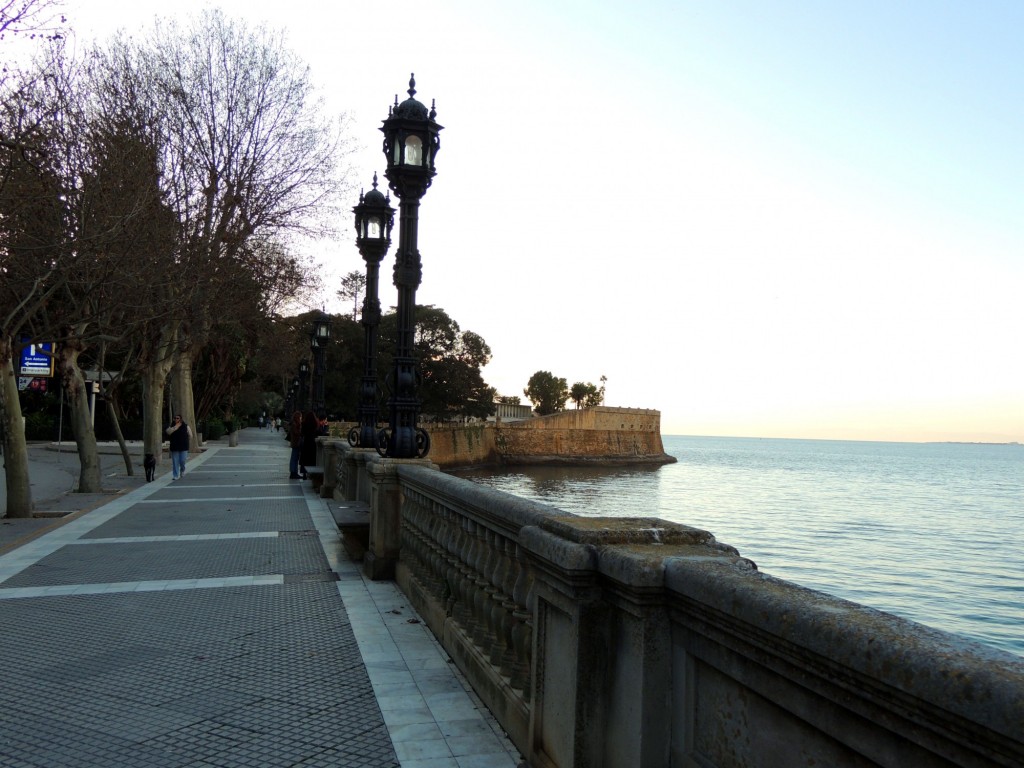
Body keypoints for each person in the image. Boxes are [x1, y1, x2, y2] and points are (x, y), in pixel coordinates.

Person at [165, 414, 192, 480]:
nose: (176, 419)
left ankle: (182, 470)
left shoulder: (186, 426)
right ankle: (175, 475)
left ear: (181, 419)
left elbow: (191, 435)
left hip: (183, 446)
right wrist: (175, 427)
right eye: (175, 418)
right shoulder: (171, 426)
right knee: (175, 461)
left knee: (182, 460)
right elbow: (168, 432)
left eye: (178, 418)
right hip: (174, 446)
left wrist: (186, 440)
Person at [299, 410, 319, 479]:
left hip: (306, 442)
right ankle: (311, 473)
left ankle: (304, 474)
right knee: (311, 458)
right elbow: (318, 432)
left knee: (305, 459)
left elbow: (302, 433)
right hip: (312, 442)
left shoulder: (304, 423)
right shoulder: (315, 423)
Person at [287, 411, 303, 479]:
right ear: (298, 417)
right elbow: (297, 433)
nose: (301, 418)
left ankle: (294, 472)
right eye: (300, 417)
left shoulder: (294, 423)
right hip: (296, 443)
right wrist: (301, 429)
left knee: (295, 458)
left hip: (295, 443)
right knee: (294, 458)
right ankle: (293, 473)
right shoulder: (294, 424)